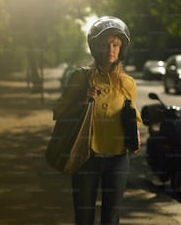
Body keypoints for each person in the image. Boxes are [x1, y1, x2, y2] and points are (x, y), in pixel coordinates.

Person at [53, 16, 142, 225]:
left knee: (111, 217)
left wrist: (135, 134)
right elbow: (59, 112)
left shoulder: (129, 83)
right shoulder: (81, 77)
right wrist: (83, 101)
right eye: (105, 44)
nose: (110, 49)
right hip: (86, 156)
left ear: (121, 48)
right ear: (95, 48)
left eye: (115, 44)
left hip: (118, 158)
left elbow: (131, 115)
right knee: (84, 216)